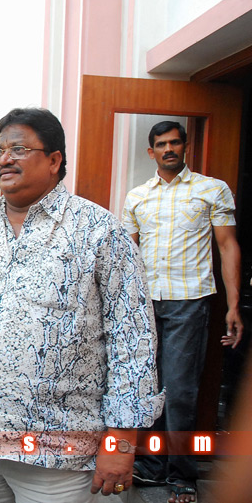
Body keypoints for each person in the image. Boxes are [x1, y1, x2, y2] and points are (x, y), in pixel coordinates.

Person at [0, 108, 163, 503]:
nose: (5, 159)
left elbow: (132, 340)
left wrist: (121, 442)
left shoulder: (100, 232)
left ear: (54, 160)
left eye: (19, 149)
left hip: (59, 454)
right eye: (0, 150)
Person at [122, 120, 243, 503]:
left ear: (185, 146)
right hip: (144, 305)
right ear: (151, 151)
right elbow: (127, 256)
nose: (168, 149)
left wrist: (234, 304)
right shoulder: (137, 196)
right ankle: (152, 466)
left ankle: (182, 474)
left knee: (179, 391)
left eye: (174, 142)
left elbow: (228, 246)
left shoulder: (211, 189)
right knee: (147, 388)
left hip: (188, 302)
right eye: (161, 144)